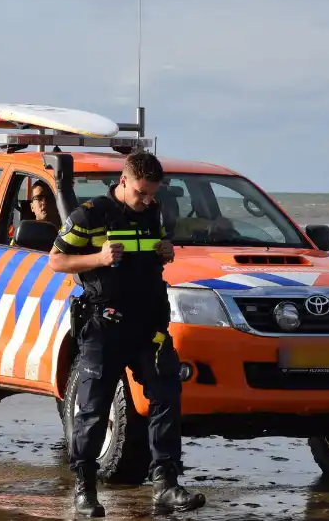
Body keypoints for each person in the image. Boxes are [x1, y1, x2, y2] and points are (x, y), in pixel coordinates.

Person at [48, 151, 205, 517]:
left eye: (152, 194)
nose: (147, 199)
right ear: (123, 181)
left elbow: (155, 252)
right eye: (141, 192)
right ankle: (85, 490)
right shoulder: (91, 214)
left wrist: (166, 252)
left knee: (167, 394)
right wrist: (97, 259)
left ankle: (166, 484)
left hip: (149, 325)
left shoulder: (153, 213)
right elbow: (56, 260)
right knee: (93, 408)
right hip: (105, 325)